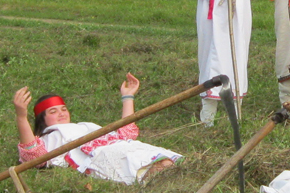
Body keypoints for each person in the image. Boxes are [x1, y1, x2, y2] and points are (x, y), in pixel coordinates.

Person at [15, 72, 181, 185]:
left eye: (63, 109)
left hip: (124, 146)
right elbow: (33, 157)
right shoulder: (51, 137)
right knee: (158, 166)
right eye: (53, 111)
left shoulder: (85, 126)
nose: (61, 113)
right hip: (102, 156)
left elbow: (126, 133)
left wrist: (128, 97)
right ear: (42, 120)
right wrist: (21, 116)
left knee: (172, 160)